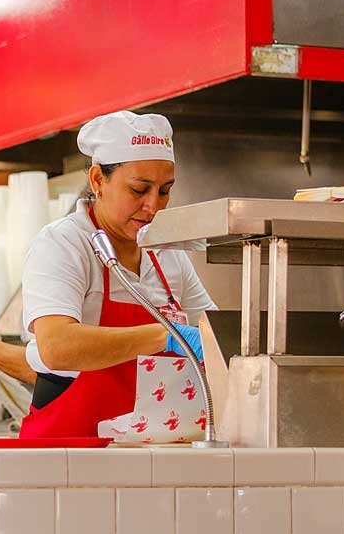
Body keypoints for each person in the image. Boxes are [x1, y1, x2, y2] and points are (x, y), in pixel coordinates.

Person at [19, 110, 215, 439]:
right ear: (98, 180)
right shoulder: (64, 243)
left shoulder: (168, 251)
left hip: (147, 447)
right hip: (70, 446)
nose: (154, 206)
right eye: (139, 190)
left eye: (165, 190)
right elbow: (56, 345)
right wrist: (165, 337)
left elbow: (213, 331)